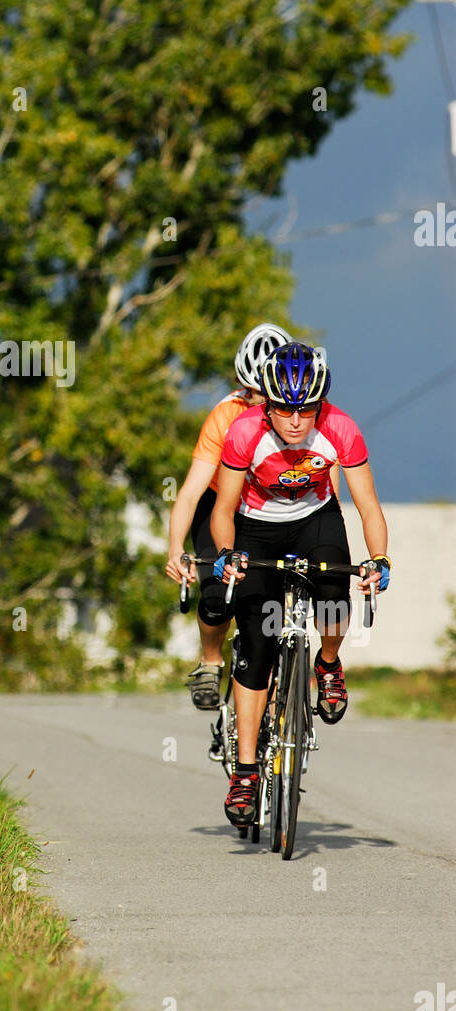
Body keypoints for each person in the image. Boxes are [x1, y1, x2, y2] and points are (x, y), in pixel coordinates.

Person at [210, 342, 390, 826]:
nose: (295, 421)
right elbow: (223, 509)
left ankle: (327, 663)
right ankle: (246, 772)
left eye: (306, 409)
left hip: (315, 519)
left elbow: (369, 506)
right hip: (256, 525)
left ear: (320, 405)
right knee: (256, 645)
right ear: (266, 404)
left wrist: (378, 559)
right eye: (284, 409)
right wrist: (228, 555)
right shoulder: (244, 432)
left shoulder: (341, 429)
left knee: (334, 595)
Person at [166, 323, 340, 712]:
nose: (264, 403)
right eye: (253, 393)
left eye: (269, 394)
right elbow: (192, 491)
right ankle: (211, 661)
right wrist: (176, 548)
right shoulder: (226, 416)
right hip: (222, 505)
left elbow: (326, 487)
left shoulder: (307, 417)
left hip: (277, 509)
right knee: (216, 596)